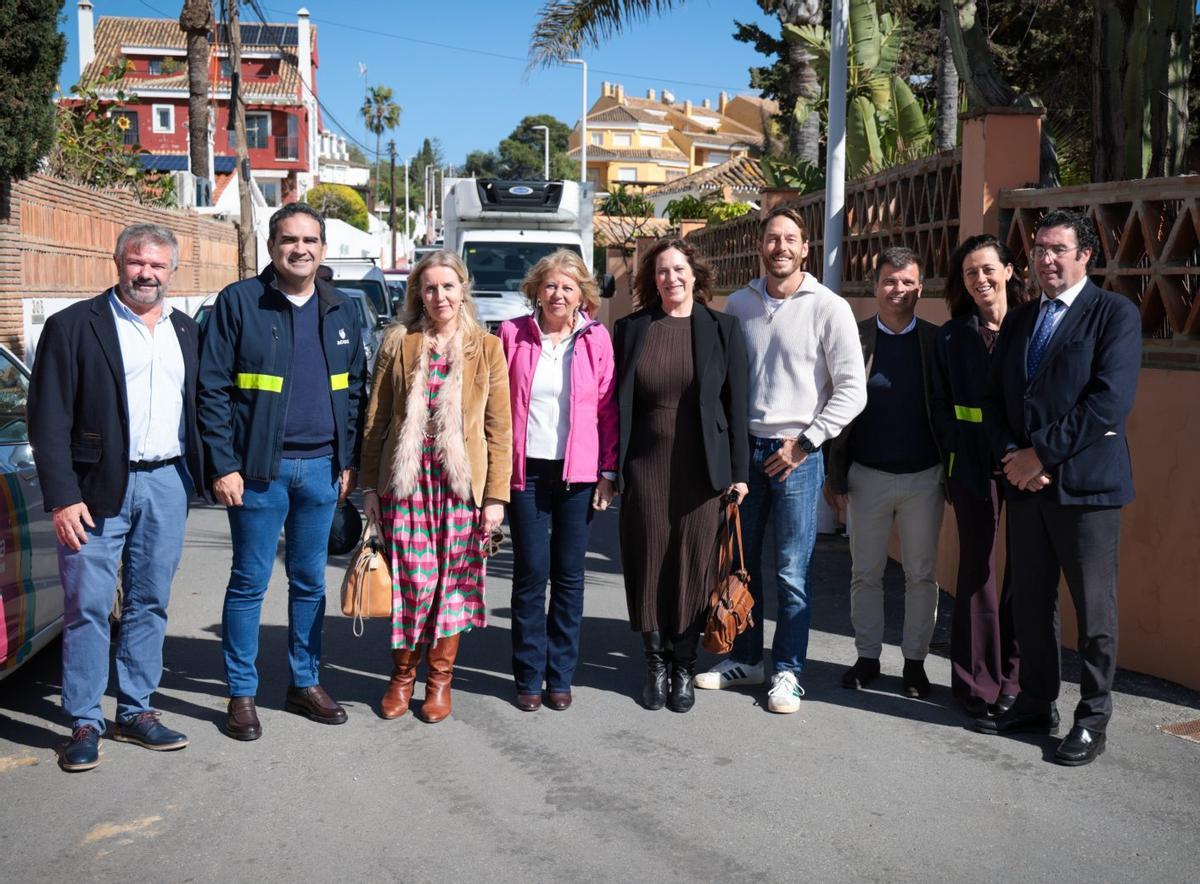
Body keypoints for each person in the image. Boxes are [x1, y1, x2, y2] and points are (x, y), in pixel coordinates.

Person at [28, 223, 204, 771]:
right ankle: (83, 720)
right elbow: (47, 419)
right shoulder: (73, 326)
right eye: (136, 262)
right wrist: (62, 497)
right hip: (95, 488)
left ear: (173, 270)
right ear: (118, 262)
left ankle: (135, 711)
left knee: (150, 601)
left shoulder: (187, 331)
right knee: (88, 606)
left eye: (157, 265)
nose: (146, 273)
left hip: (167, 482)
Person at [198, 203, 368, 741]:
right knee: (248, 584)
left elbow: (355, 390)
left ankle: (304, 682)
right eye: (290, 239)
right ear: (272, 247)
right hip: (256, 473)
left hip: (322, 471)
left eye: (311, 240)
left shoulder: (341, 307)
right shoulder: (240, 302)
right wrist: (223, 465)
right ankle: (241, 694)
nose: (301, 249)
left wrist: (349, 461)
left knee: (309, 583)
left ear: (323, 248)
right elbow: (212, 390)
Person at [977, 210, 1141, 766]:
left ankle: (1092, 719)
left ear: (1085, 255)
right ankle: (1036, 700)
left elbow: (1108, 403)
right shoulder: (1022, 320)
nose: (1046, 259)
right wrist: (1012, 456)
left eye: (1058, 249)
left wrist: (1040, 454)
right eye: (1041, 249)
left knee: (1094, 611)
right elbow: (996, 399)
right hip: (1026, 486)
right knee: (1031, 602)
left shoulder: (1113, 314)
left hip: (1087, 490)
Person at [696, 206, 866, 714]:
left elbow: (852, 390)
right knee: (741, 566)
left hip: (798, 455)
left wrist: (806, 443)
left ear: (805, 248)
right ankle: (748, 660)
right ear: (761, 247)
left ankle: (788, 671)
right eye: (773, 238)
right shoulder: (740, 305)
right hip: (744, 455)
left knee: (792, 571)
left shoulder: (828, 306)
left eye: (791, 238)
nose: (781, 247)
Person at [360, 251, 511, 724]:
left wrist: (495, 499)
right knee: (413, 583)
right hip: (407, 484)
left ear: (462, 289)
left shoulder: (486, 348)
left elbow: (499, 429)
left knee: (452, 587)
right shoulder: (399, 343)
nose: (439, 296)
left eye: (448, 286)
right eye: (429, 288)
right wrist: (369, 488)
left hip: (460, 488)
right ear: (417, 295)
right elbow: (376, 419)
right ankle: (401, 677)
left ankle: (439, 681)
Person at [614, 238, 748, 714]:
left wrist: (739, 473)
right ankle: (654, 662)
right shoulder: (630, 329)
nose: (671, 278)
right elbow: (615, 405)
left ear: (696, 274)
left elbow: (737, 404)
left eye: (679, 269)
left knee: (694, 565)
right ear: (653, 279)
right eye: (662, 271)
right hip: (645, 464)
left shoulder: (723, 329)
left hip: (702, 470)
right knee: (649, 560)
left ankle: (684, 666)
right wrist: (612, 470)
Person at [497, 250, 618, 712]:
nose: (558, 294)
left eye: (568, 287)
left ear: (582, 294)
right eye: (550, 286)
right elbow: (496, 406)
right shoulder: (511, 334)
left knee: (568, 577)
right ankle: (528, 675)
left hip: (578, 474)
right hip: (525, 472)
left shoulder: (596, 339)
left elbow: (608, 410)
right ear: (536, 290)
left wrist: (608, 473)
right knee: (530, 574)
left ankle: (560, 675)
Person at [826, 247, 945, 698]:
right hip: (867, 477)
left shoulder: (937, 342)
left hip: (924, 478)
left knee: (920, 574)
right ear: (875, 286)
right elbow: (830, 408)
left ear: (921, 287)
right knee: (866, 572)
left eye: (908, 282)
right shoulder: (853, 340)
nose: (898, 290)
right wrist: (834, 477)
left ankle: (915, 663)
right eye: (890, 281)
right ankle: (867, 657)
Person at [931, 234, 1027, 718]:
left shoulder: (1033, 327)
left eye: (988, 269)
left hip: (1026, 461)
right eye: (970, 272)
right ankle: (975, 684)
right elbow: (940, 409)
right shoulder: (951, 335)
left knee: (1024, 574)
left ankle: (1016, 680)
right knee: (977, 573)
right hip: (971, 463)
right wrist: (955, 457)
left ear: (1009, 271)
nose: (980, 279)